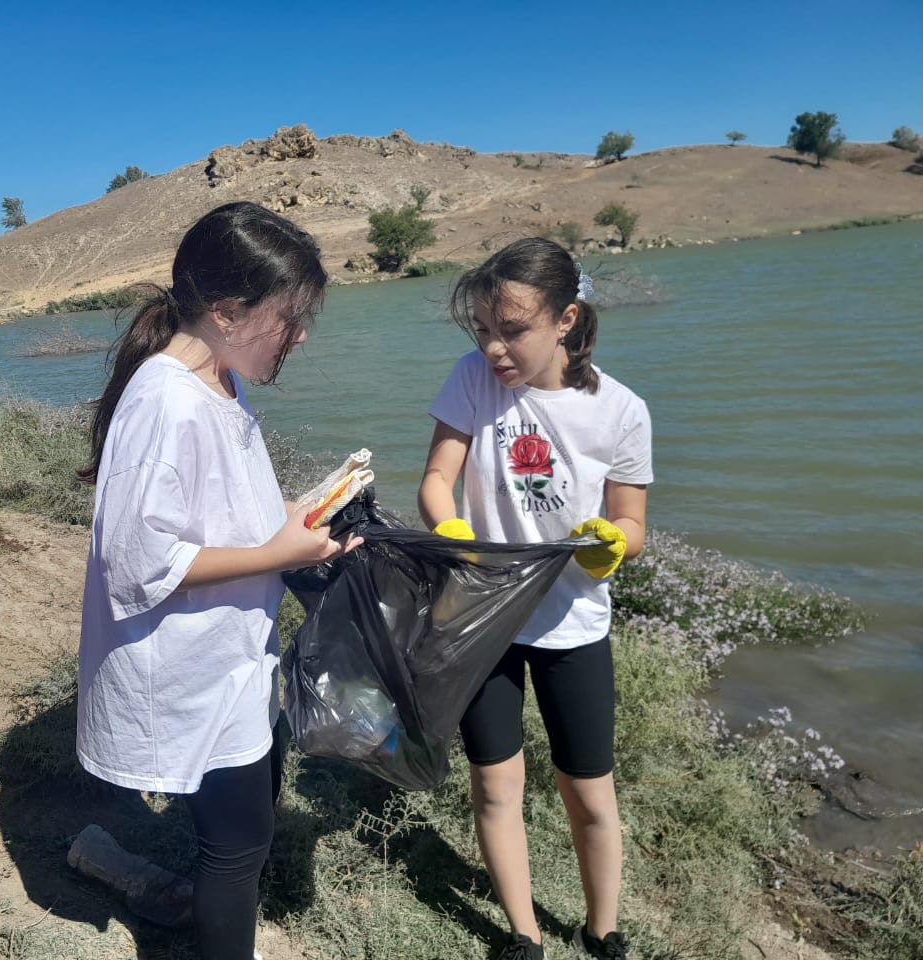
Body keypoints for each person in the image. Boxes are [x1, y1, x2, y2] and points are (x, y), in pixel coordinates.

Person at [76, 202, 360, 960]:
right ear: (228, 312)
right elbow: (140, 565)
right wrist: (277, 553)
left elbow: (225, 519)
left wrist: (300, 524)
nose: (300, 336)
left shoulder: (217, 383)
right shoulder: (168, 402)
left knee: (249, 815)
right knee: (237, 848)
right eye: (289, 317)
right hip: (188, 668)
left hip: (231, 655)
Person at [417, 237, 652, 960]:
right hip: (484, 620)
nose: (494, 348)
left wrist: (614, 545)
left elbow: (632, 523)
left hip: (574, 624)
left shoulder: (622, 412)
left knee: (590, 794)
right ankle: (522, 936)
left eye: (511, 330)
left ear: (565, 319)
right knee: (496, 788)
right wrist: (450, 527)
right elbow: (435, 480)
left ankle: (603, 931)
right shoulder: (472, 381)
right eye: (483, 330)